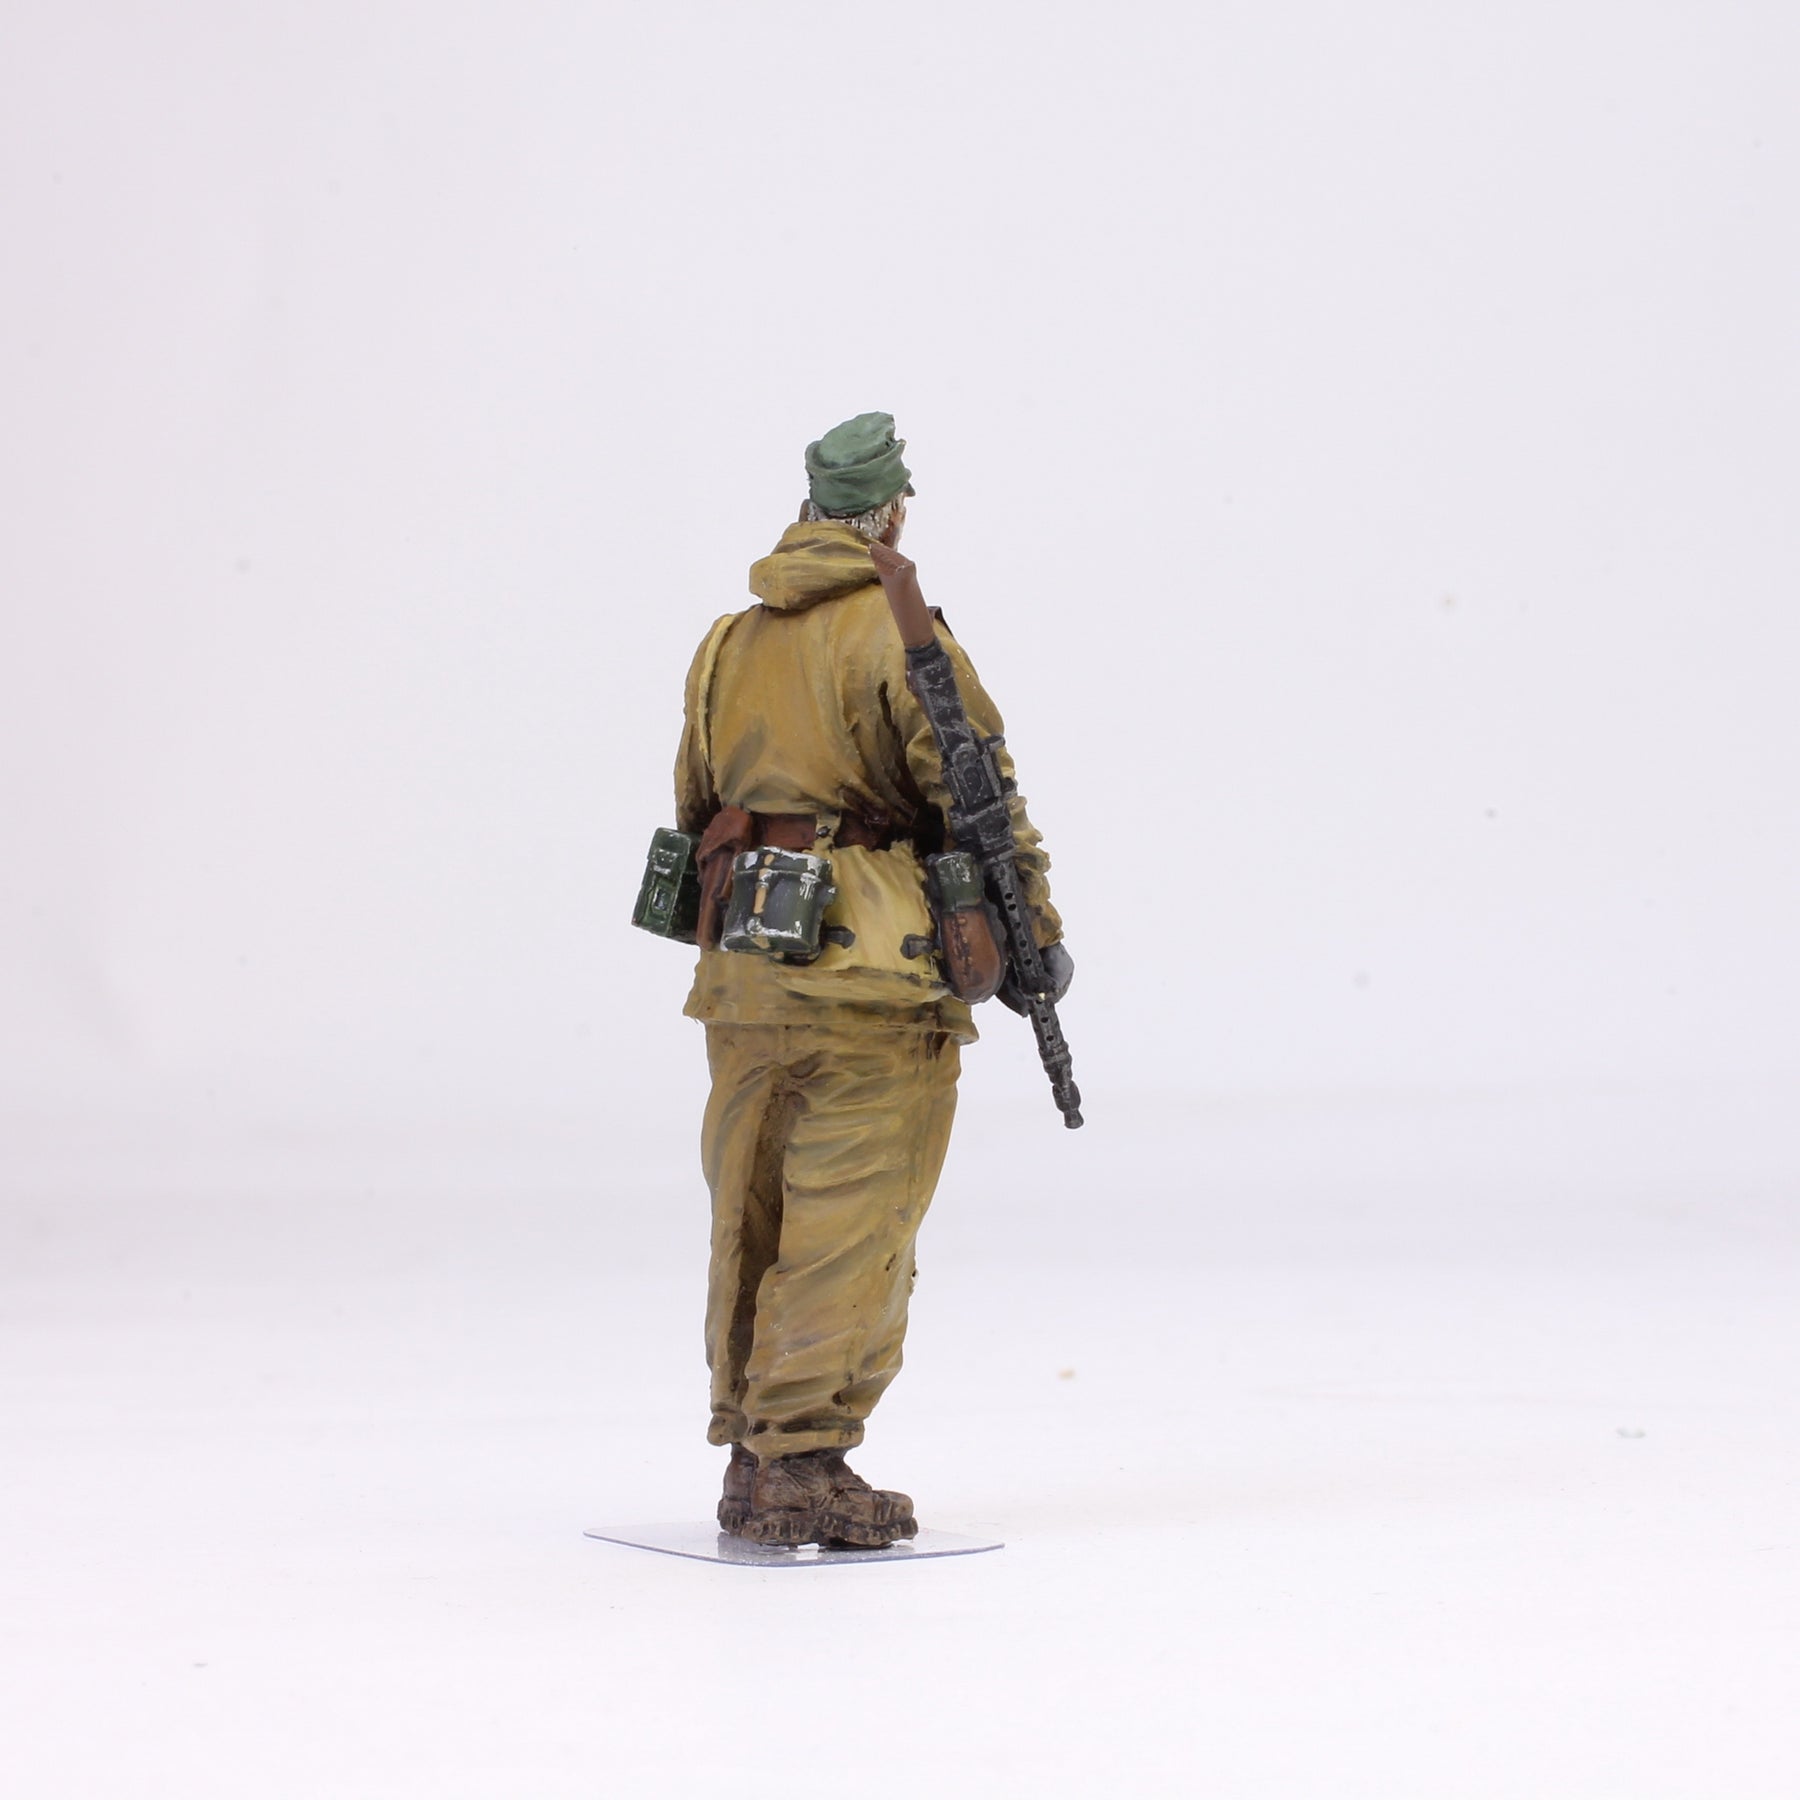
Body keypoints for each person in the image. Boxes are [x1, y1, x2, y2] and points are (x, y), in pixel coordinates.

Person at [673, 412, 1068, 1548]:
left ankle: (754, 1455)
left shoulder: (726, 641)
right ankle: (801, 1462)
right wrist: (1033, 933)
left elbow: (698, 801)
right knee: (855, 1218)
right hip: (874, 978)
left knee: (750, 1212)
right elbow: (978, 797)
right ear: (890, 512)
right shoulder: (900, 631)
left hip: (743, 968)